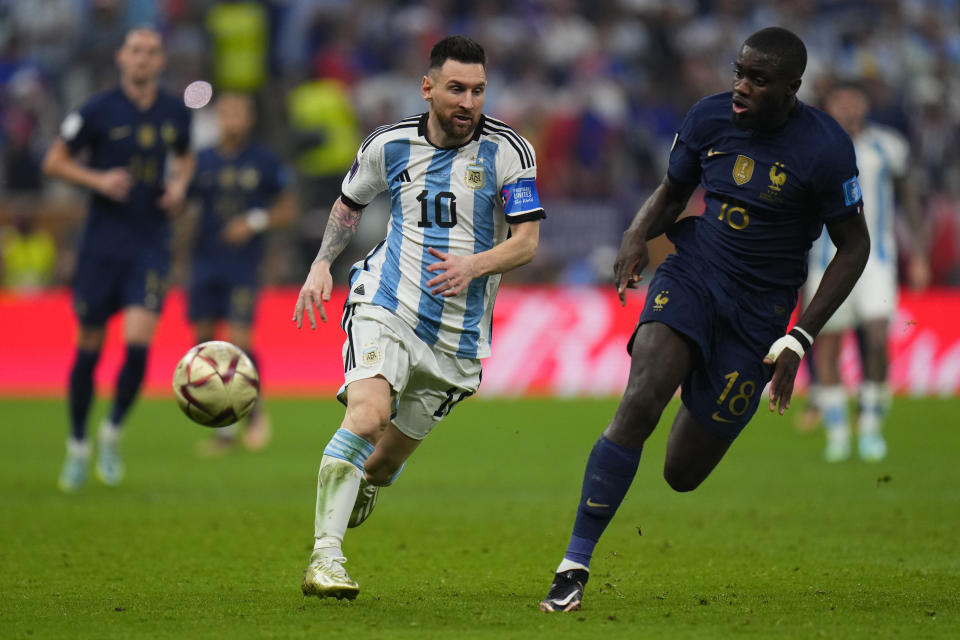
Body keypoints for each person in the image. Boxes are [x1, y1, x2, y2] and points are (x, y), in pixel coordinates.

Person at [538, 27, 870, 613]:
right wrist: (637, 234)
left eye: (758, 80)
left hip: (760, 315)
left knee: (682, 473)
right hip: (695, 273)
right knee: (640, 402)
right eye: (738, 71)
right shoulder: (709, 118)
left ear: (791, 89)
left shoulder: (825, 148)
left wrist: (799, 336)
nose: (740, 87)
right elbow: (673, 190)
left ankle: (701, 377)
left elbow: (854, 247)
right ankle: (574, 564)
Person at [292, 35, 544, 600]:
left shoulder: (510, 151)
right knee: (367, 416)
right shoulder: (389, 144)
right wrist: (320, 265)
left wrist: (475, 265)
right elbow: (349, 204)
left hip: (457, 336)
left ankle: (364, 482)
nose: (468, 102)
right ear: (428, 87)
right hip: (387, 302)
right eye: (456, 88)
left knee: (379, 467)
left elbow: (527, 242)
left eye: (478, 90)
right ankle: (325, 559)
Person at [42, 28, 194, 492]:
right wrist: (98, 180)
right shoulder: (98, 109)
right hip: (101, 243)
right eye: (136, 51)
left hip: (149, 242)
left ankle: (110, 434)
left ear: (161, 60)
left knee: (137, 343)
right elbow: (54, 160)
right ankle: (77, 445)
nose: (143, 58)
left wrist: (179, 187)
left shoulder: (174, 111)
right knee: (89, 344)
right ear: (122, 58)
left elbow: (185, 159)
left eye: (152, 51)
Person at [804, 80, 930, 463]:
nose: (847, 107)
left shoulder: (888, 146)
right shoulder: (815, 146)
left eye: (852, 99)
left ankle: (871, 427)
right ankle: (838, 432)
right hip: (824, 262)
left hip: (878, 261)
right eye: (839, 100)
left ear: (863, 103)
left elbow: (908, 197)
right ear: (828, 105)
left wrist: (920, 254)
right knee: (828, 344)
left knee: (876, 337)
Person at [186, 92, 296, 455]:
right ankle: (223, 428)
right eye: (227, 113)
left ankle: (255, 413)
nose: (233, 120)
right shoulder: (201, 161)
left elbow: (288, 207)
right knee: (204, 344)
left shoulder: (263, 160)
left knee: (238, 340)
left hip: (242, 265)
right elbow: (181, 202)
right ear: (218, 118)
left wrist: (253, 221)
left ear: (249, 119)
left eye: (240, 113)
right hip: (204, 261)